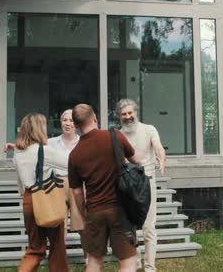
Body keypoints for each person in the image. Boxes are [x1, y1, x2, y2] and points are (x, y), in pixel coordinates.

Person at [68, 104, 139, 272]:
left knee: (94, 260)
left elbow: (77, 192)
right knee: (128, 261)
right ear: (94, 117)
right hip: (120, 209)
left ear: (76, 126)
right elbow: (136, 160)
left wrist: (84, 212)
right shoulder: (114, 136)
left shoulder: (74, 154)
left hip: (94, 211)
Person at [12, 113, 69, 272]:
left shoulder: (17, 153)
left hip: (29, 199)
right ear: (38, 129)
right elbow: (71, 163)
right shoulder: (44, 151)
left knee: (35, 248)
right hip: (46, 198)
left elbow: (19, 182)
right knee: (57, 246)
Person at [116, 99, 166, 272]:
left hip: (147, 182)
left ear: (136, 112)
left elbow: (158, 147)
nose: (128, 117)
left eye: (130, 113)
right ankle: (134, 264)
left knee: (148, 227)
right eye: (124, 114)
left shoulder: (149, 129)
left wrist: (161, 158)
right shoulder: (118, 135)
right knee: (131, 228)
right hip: (127, 186)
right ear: (119, 116)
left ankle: (150, 267)